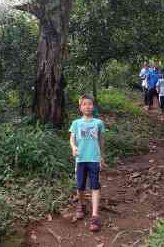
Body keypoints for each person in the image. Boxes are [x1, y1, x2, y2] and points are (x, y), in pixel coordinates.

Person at [69, 94, 106, 232]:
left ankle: (95, 216)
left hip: (94, 159)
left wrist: (102, 157)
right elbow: (72, 139)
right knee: (80, 187)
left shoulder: (98, 123)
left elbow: (101, 141)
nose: (87, 106)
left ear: (93, 106)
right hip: (80, 159)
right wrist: (73, 147)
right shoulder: (76, 123)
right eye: (84, 104)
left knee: (95, 186)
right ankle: (82, 205)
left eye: (89, 104)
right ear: (80, 107)